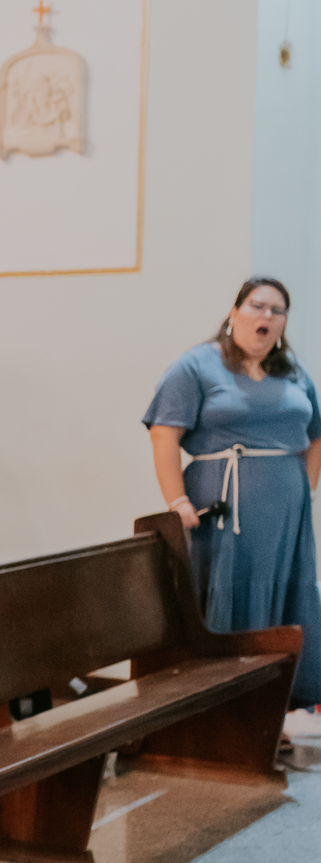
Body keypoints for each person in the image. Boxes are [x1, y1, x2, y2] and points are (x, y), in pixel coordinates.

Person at [144, 276, 321, 709]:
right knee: (231, 589)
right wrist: (177, 501)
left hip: (285, 512)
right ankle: (227, 704)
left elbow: (316, 434)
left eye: (277, 310)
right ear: (234, 312)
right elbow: (164, 435)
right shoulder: (196, 366)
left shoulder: (293, 371)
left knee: (286, 592)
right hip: (224, 506)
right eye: (257, 306)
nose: (267, 316)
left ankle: (278, 705)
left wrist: (305, 487)